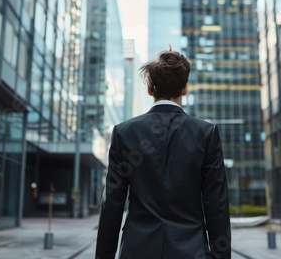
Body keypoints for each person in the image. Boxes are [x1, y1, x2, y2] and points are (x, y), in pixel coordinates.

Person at [95, 48, 231, 259]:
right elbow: (217, 206)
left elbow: (112, 204)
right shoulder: (206, 134)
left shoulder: (124, 132)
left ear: (150, 89)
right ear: (184, 88)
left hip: (137, 250)